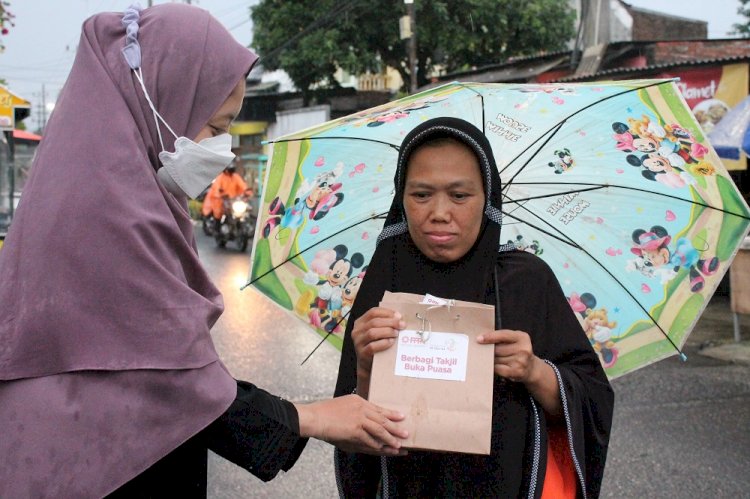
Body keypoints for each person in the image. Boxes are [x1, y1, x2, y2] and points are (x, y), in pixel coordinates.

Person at [0, 5, 407, 497]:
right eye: (215, 128)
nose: (225, 147)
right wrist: (312, 416)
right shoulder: (107, 211)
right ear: (160, 103)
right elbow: (169, 378)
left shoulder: (117, 190)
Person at [334, 117, 614, 498]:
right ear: (401, 197)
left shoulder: (527, 280)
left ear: (488, 199)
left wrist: (534, 371)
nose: (439, 212)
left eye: (460, 195)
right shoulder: (384, 286)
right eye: (421, 194)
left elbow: (591, 399)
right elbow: (352, 442)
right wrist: (366, 371)